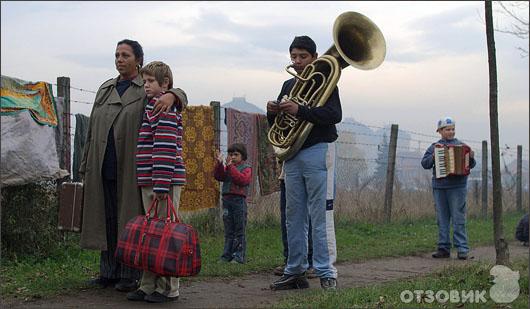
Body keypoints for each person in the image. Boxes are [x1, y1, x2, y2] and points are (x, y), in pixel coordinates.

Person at [79, 39, 187, 292]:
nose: (119, 59)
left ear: (138, 59)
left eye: (125, 55)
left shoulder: (147, 86)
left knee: (130, 220)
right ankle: (108, 271)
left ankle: (130, 274)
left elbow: (174, 93)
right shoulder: (105, 89)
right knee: (105, 218)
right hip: (102, 163)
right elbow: (93, 129)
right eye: (116, 54)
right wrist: (85, 165)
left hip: (131, 166)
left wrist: (174, 95)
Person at [267, 35, 341, 291]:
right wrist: (272, 112)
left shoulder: (327, 83)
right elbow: (277, 128)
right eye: (294, 56)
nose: (297, 61)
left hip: (318, 150)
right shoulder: (288, 84)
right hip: (293, 155)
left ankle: (326, 272)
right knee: (293, 215)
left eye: (303, 56)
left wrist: (300, 110)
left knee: (320, 215)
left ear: (314, 58)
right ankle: (295, 271)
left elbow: (334, 115)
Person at [125, 61, 186, 303]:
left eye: (150, 81)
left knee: (165, 234)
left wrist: (161, 184)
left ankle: (169, 287)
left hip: (164, 181)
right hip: (151, 179)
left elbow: (165, 147)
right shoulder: (152, 106)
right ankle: (148, 284)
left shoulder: (165, 109)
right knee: (151, 234)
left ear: (165, 84)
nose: (146, 85)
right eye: (145, 81)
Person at [421, 116, 476, 260]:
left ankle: (462, 249)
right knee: (442, 218)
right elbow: (425, 163)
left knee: (458, 217)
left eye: (452, 129)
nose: (451, 132)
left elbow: (471, 165)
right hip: (440, 187)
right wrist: (433, 157)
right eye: (447, 129)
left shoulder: (463, 147)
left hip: (458, 187)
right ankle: (443, 248)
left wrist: (471, 157)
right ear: (440, 131)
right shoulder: (434, 147)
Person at [273, 163, 315, 279]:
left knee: (307, 219)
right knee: (287, 221)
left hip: (306, 173)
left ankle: (311, 263)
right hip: (287, 175)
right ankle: (290, 261)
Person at [214, 143, 252, 264]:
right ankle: (227, 255)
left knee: (239, 229)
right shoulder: (228, 168)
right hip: (227, 200)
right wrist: (220, 164)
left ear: (243, 156)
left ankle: (238, 256)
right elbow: (219, 176)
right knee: (229, 230)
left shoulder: (246, 168)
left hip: (238, 201)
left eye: (236, 154)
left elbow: (241, 180)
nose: (233, 157)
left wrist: (230, 167)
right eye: (231, 154)